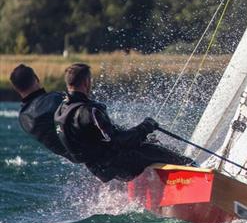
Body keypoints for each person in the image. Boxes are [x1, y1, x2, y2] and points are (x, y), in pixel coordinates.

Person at [54, 63, 193, 182]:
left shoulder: (60, 111)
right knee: (161, 153)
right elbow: (117, 141)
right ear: (86, 82)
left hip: (99, 168)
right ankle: (195, 170)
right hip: (116, 166)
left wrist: (140, 136)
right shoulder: (90, 112)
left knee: (150, 143)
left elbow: (102, 138)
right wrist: (145, 127)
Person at [9, 64, 73, 160]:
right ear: (36, 79)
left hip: (74, 156)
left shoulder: (22, 118)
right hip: (89, 145)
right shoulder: (55, 98)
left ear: (16, 89)